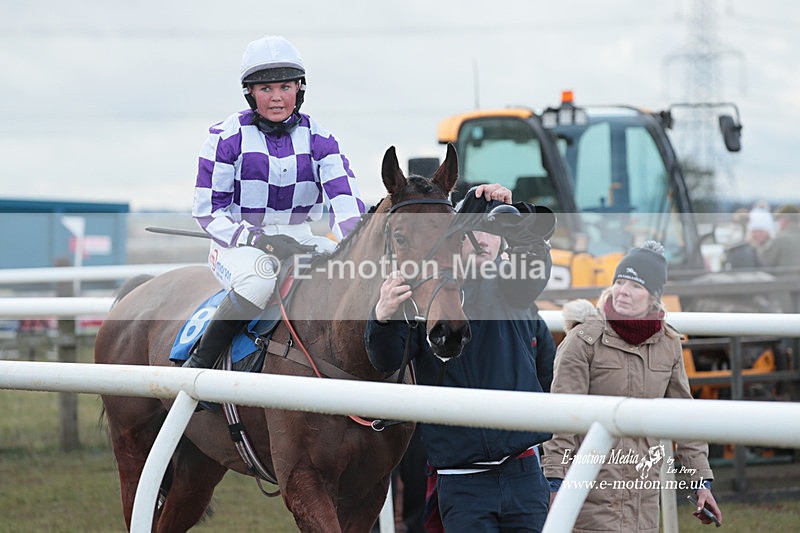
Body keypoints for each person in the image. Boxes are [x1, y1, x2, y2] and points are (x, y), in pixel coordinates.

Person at [365, 184, 556, 532]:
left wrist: (520, 216)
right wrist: (382, 316)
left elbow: (535, 269)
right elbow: (386, 360)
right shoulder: (420, 297)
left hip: (524, 470)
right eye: (473, 230)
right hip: (462, 481)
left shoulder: (511, 286)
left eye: (494, 230)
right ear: (454, 241)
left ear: (503, 242)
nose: (484, 238)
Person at [185, 35, 365, 369]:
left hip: (301, 236)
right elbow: (208, 212)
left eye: (285, 87)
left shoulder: (321, 138)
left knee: (341, 273)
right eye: (265, 89)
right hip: (235, 242)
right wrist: (255, 239)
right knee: (259, 280)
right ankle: (199, 367)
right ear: (250, 93)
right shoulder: (226, 136)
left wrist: (352, 249)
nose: (277, 98)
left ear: (300, 88)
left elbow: (346, 201)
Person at [542, 241, 723, 532]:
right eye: (620, 281)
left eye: (636, 285)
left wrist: (701, 483)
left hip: (644, 501)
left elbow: (684, 418)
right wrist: (554, 484)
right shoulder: (582, 341)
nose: (623, 291)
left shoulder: (669, 344)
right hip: (589, 498)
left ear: (653, 297)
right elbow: (561, 420)